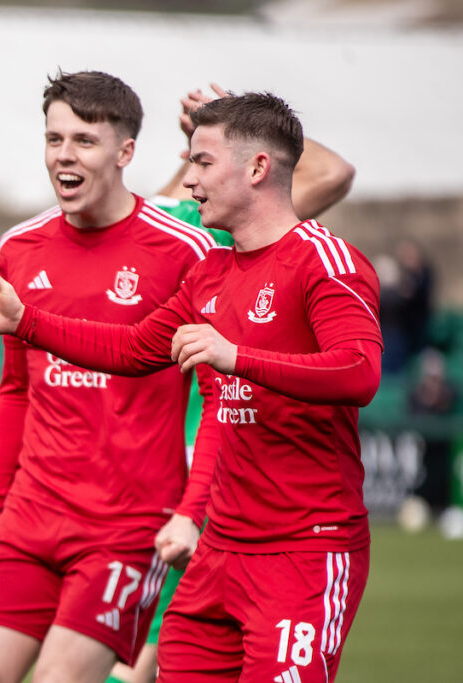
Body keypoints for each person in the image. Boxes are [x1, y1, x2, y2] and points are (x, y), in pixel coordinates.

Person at [0, 92, 381, 683]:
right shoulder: (210, 271)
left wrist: (237, 357)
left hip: (305, 549)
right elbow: (129, 350)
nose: (188, 179)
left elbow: (359, 373)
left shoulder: (326, 262)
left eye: (201, 162)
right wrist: (26, 321)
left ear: (256, 169)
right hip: (218, 551)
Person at [0, 70, 219, 683]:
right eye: (53, 139)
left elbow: (218, 399)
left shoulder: (185, 250)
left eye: (84, 141)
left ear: (125, 152)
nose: (64, 155)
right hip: (29, 515)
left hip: (126, 527)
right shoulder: (21, 246)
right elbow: (16, 390)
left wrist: (190, 510)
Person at [111, 83, 357, 683]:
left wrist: (238, 129)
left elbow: (325, 171)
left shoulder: (202, 227)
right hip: (146, 454)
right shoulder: (169, 225)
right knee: (158, 646)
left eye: (203, 160)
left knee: (152, 646)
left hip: (216, 443)